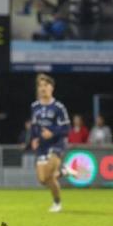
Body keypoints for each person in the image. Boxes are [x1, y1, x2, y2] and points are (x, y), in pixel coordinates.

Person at [30, 73, 70, 212]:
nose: (43, 88)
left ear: (52, 88)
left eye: (46, 85)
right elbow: (35, 127)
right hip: (42, 146)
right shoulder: (35, 106)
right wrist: (33, 139)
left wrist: (52, 133)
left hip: (56, 144)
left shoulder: (58, 107)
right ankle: (64, 171)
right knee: (43, 179)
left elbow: (66, 128)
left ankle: (57, 203)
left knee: (48, 175)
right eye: (40, 86)